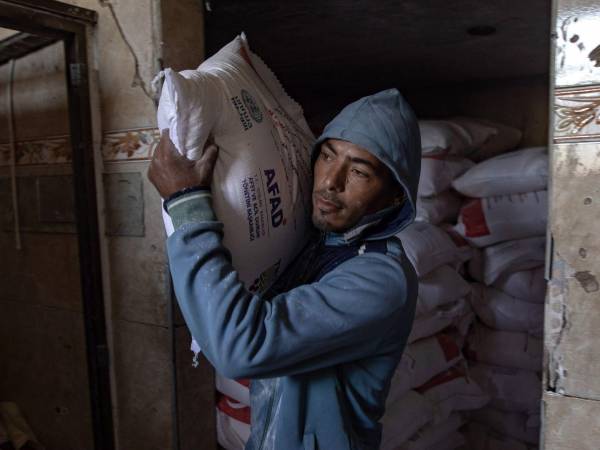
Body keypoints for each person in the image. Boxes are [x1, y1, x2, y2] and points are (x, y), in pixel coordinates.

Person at [148, 88, 421, 450]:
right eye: (327, 156)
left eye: (358, 171)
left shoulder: (381, 280)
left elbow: (242, 347)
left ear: (394, 195)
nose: (330, 182)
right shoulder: (317, 241)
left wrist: (187, 204)